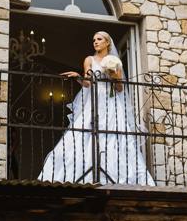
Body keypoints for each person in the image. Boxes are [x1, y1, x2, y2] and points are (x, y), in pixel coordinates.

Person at [37, 31, 155, 185]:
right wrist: (78, 77)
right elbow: (88, 82)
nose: (96, 42)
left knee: (115, 133)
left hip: (111, 102)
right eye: (94, 40)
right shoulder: (89, 59)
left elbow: (119, 88)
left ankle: (114, 175)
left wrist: (114, 77)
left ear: (107, 43)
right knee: (85, 131)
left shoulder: (115, 61)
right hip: (94, 100)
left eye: (99, 39)